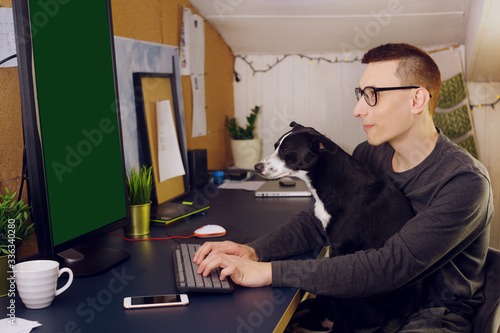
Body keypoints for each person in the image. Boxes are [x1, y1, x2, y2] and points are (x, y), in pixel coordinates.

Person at [194, 43, 494, 331]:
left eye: (372, 95)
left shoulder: (464, 182)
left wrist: (270, 273)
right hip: (367, 303)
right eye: (360, 94)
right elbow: (320, 221)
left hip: (431, 316)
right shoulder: (370, 154)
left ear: (417, 100)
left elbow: (389, 266)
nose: (358, 109)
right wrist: (254, 252)